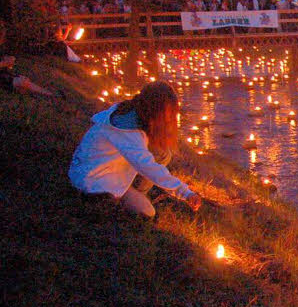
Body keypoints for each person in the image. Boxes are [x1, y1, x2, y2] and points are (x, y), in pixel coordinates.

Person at [69, 81, 202, 218]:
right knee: (147, 212)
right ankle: (126, 196)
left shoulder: (127, 110)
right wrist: (185, 192)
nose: (169, 118)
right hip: (94, 185)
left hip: (89, 169)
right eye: (167, 113)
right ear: (154, 110)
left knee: (161, 153)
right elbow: (149, 167)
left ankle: (132, 190)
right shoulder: (127, 132)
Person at [0, 17, 54, 95]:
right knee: (21, 82)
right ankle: (50, 94)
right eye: (2, 27)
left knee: (22, 80)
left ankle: (46, 93)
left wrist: (4, 60)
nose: (4, 30)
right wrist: (5, 63)